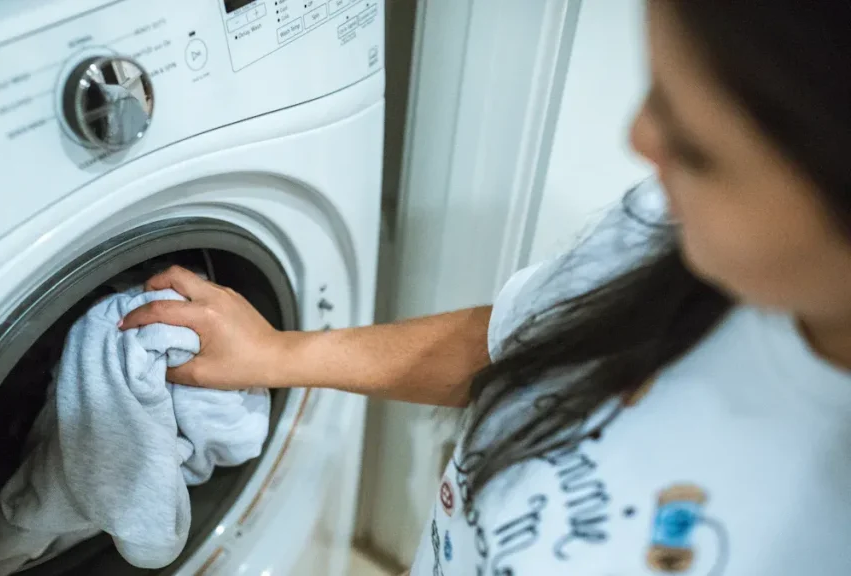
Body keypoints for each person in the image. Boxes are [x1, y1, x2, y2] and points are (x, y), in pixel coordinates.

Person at [120, 0, 851, 573]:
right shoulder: (659, 229)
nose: (639, 141)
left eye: (696, 146)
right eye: (657, 92)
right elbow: (519, 344)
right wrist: (280, 353)